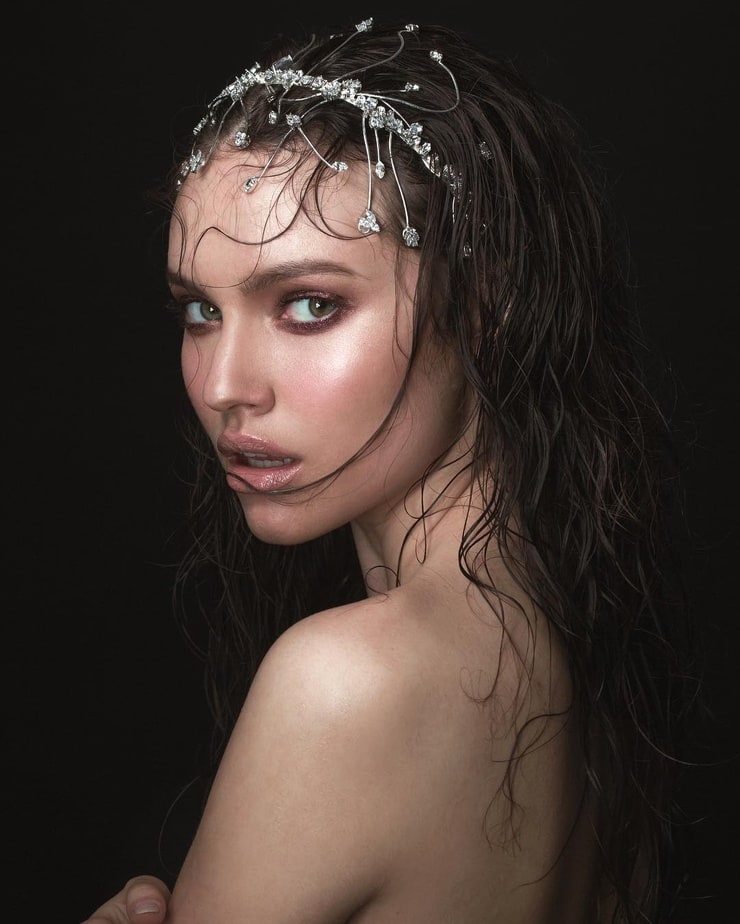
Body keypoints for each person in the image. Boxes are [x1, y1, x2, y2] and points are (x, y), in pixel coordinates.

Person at [82, 16, 697, 924]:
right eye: (200, 312)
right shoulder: (561, 634)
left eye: (309, 305)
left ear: (484, 304)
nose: (223, 387)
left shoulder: (346, 683)